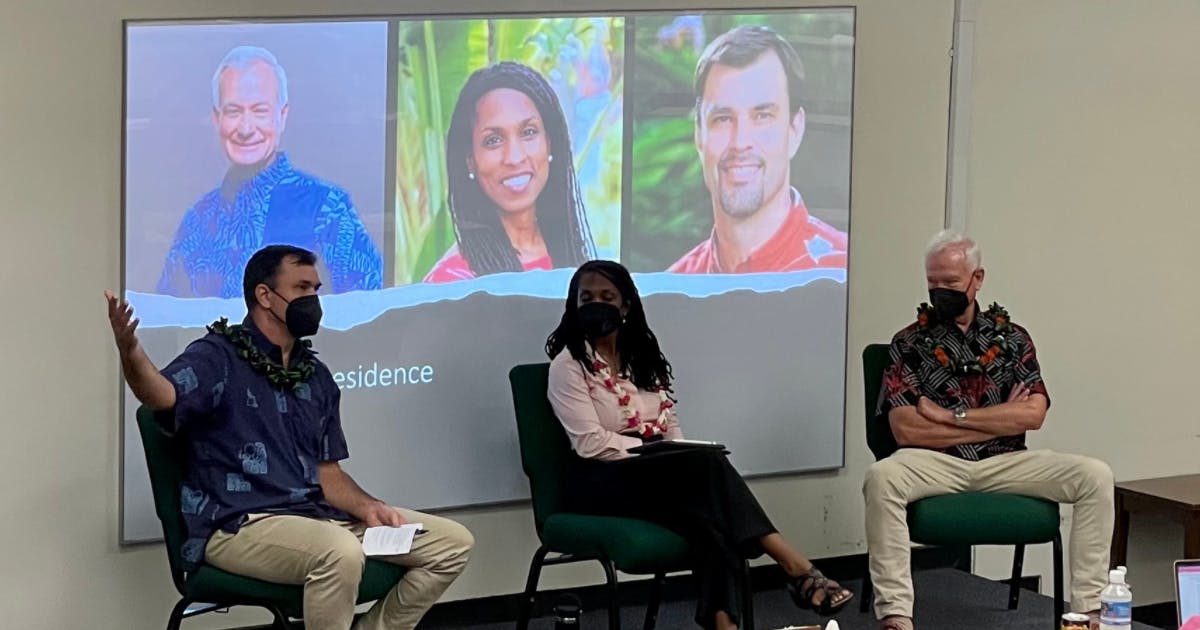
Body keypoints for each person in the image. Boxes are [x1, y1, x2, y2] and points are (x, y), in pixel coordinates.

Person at [110, 245, 471, 629]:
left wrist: (368, 507)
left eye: (316, 289)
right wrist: (130, 350)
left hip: (314, 517)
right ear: (265, 296)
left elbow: (327, 474)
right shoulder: (218, 356)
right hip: (237, 524)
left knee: (452, 542)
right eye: (302, 288)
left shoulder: (315, 375)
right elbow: (161, 396)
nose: (313, 300)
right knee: (340, 552)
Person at [545, 260, 852, 630]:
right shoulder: (568, 365)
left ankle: (728, 626)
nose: (596, 304)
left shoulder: (641, 359)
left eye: (607, 297)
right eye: (586, 297)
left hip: (655, 478)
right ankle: (796, 567)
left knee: (709, 518)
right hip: (599, 483)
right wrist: (653, 453)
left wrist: (672, 451)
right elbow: (589, 443)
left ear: (625, 305)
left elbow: (668, 424)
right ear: (574, 305)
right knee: (706, 469)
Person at [864, 230, 1114, 630]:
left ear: (977, 278)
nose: (940, 290)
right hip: (933, 464)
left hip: (1006, 464)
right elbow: (906, 429)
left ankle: (1087, 613)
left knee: (1094, 475)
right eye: (933, 283)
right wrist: (999, 418)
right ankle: (896, 616)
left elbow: (1033, 414)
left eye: (950, 282)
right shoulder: (907, 343)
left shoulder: (1014, 339)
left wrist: (949, 418)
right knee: (881, 477)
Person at [157, 45, 383, 298]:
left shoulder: (327, 207)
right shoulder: (197, 220)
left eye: (259, 111)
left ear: (282, 116)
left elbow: (369, 310)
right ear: (216, 118)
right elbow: (168, 321)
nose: (246, 128)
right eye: (234, 111)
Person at [670, 25, 847, 274]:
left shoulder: (845, 269)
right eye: (722, 118)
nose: (740, 142)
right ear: (699, 136)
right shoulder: (674, 288)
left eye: (762, 116)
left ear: (795, 129)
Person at [424, 61, 595, 283]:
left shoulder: (573, 256)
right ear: (470, 161)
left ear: (550, 143)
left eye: (529, 132)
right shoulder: (452, 281)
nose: (514, 158)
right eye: (493, 140)